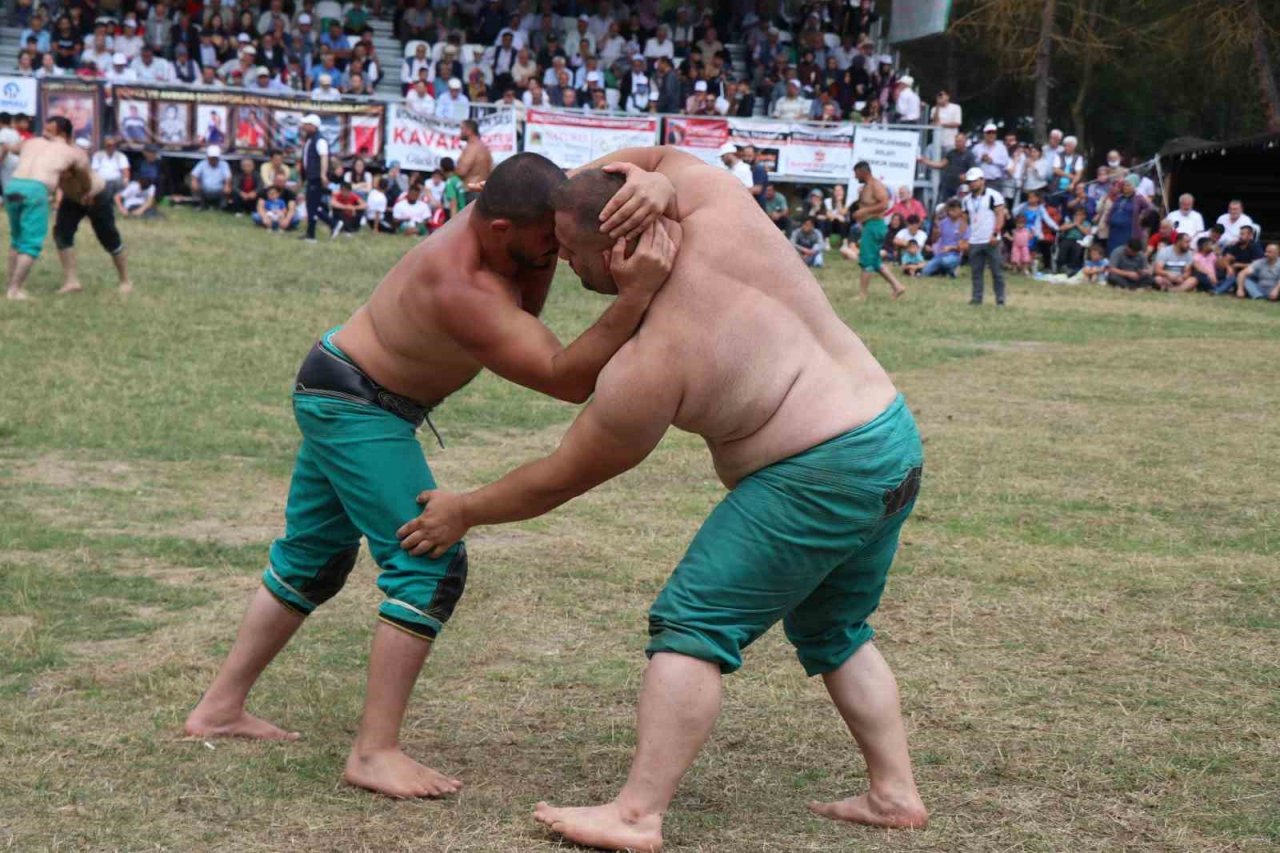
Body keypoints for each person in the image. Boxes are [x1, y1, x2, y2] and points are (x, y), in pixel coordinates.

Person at [396, 150, 928, 852]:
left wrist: (465, 507)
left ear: (617, 244)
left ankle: (637, 813)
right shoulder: (716, 200)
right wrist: (655, 178)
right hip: (889, 441)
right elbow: (666, 160)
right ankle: (894, 792)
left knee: (692, 622)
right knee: (834, 627)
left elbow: (563, 473)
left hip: (817, 471)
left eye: (569, 248)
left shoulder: (652, 360)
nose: (559, 259)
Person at [184, 153, 675, 801]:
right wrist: (635, 295)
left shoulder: (509, 231)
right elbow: (565, 377)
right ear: (500, 228)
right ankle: (373, 752)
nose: (557, 248)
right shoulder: (460, 284)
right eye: (545, 241)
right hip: (356, 403)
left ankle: (218, 708)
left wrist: (653, 184)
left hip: (343, 386)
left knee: (312, 560)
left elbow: (552, 250)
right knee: (430, 561)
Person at [4, 116, 92, 300]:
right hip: (36, 190)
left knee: (17, 239)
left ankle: (9, 285)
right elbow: (84, 172)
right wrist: (86, 190)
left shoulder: (31, 141)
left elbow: (8, 147)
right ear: (68, 134)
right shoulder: (72, 152)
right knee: (31, 243)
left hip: (13, 186)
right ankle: (14, 290)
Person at [54, 152, 134, 295]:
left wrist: (88, 194)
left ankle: (125, 280)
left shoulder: (75, 159)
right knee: (61, 234)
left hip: (97, 195)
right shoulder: (48, 158)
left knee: (109, 238)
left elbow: (88, 180)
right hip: (72, 198)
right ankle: (71, 281)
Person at [838, 162, 907, 300]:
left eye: (856, 173)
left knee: (866, 260)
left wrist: (864, 211)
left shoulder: (876, 185)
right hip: (869, 225)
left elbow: (884, 204)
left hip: (875, 225)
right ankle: (897, 286)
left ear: (863, 172)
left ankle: (863, 294)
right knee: (875, 261)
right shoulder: (866, 187)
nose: (855, 176)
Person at [961, 167, 1008, 305]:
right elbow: (964, 220)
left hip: (990, 239)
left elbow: (1000, 215)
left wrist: (995, 232)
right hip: (975, 239)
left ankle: (1000, 299)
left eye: (974, 181)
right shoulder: (966, 200)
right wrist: (963, 238)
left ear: (982, 180)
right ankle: (977, 298)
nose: (972, 184)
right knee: (976, 272)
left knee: (997, 272)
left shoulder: (994, 196)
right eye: (970, 182)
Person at [298, 114, 338, 241]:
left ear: (313, 126)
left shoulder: (320, 140)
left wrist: (322, 174)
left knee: (312, 206)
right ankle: (332, 224)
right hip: (311, 176)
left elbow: (324, 157)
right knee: (313, 205)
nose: (303, 126)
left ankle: (311, 235)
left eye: (306, 124)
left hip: (316, 177)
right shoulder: (310, 139)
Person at [917, 132, 974, 202]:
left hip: (961, 187)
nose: (957, 143)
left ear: (965, 142)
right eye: (956, 141)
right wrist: (925, 161)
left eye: (959, 141)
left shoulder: (970, 155)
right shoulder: (951, 153)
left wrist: (965, 177)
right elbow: (941, 164)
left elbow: (972, 172)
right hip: (947, 185)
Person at [923, 200, 967, 277]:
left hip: (955, 255)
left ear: (960, 210)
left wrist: (951, 248)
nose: (951, 212)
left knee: (946, 262)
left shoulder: (964, 224)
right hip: (941, 254)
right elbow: (934, 240)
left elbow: (965, 246)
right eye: (950, 210)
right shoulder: (943, 223)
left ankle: (953, 269)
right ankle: (945, 272)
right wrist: (935, 229)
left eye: (954, 210)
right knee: (925, 272)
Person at [189, 145, 232, 211]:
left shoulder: (224, 164)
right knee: (194, 185)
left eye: (215, 158)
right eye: (212, 158)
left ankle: (222, 207)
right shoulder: (202, 163)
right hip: (204, 189)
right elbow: (194, 175)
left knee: (228, 188)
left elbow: (228, 177)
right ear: (208, 157)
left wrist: (227, 185)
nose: (213, 159)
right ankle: (200, 205)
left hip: (219, 190)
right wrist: (194, 182)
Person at [456, 120, 493, 187]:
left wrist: (452, 172)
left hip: (472, 189)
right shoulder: (483, 147)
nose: (460, 132)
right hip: (483, 188)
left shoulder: (472, 147)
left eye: (462, 129)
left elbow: (462, 171)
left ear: (469, 130)